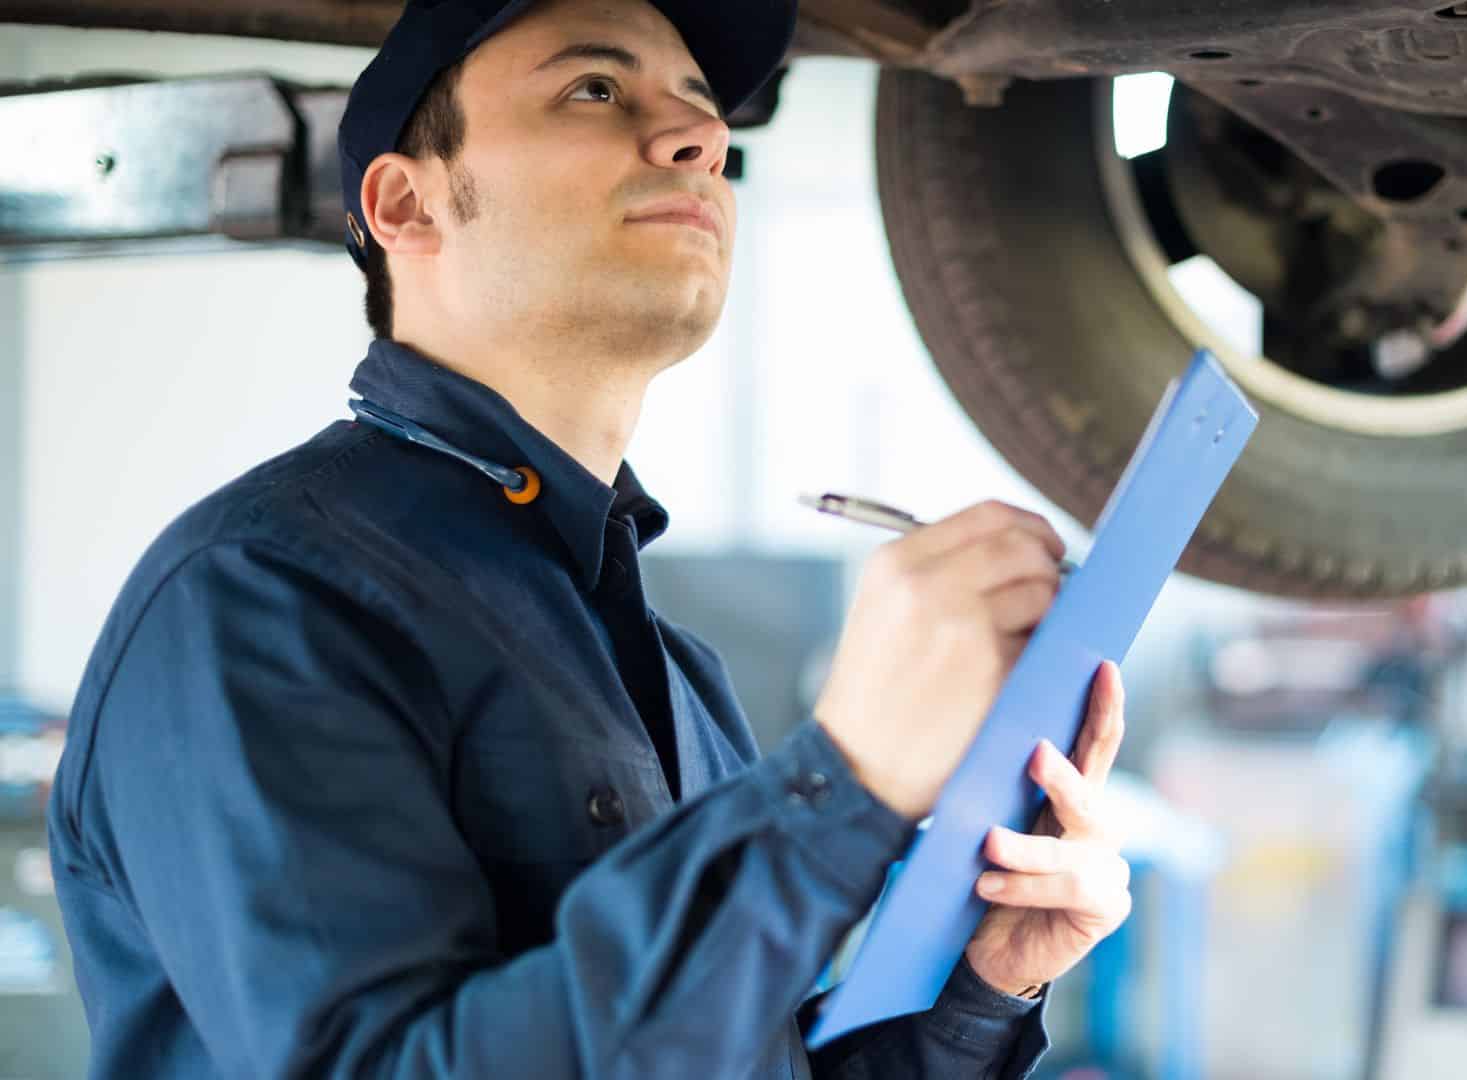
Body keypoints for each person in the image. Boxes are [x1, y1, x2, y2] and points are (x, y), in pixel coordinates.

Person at [44, 0, 1133, 1075]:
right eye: (595, 89)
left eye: (704, 113)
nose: (699, 138)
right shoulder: (259, 596)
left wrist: (984, 989)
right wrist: (840, 786)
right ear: (407, 205)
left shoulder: (673, 673)